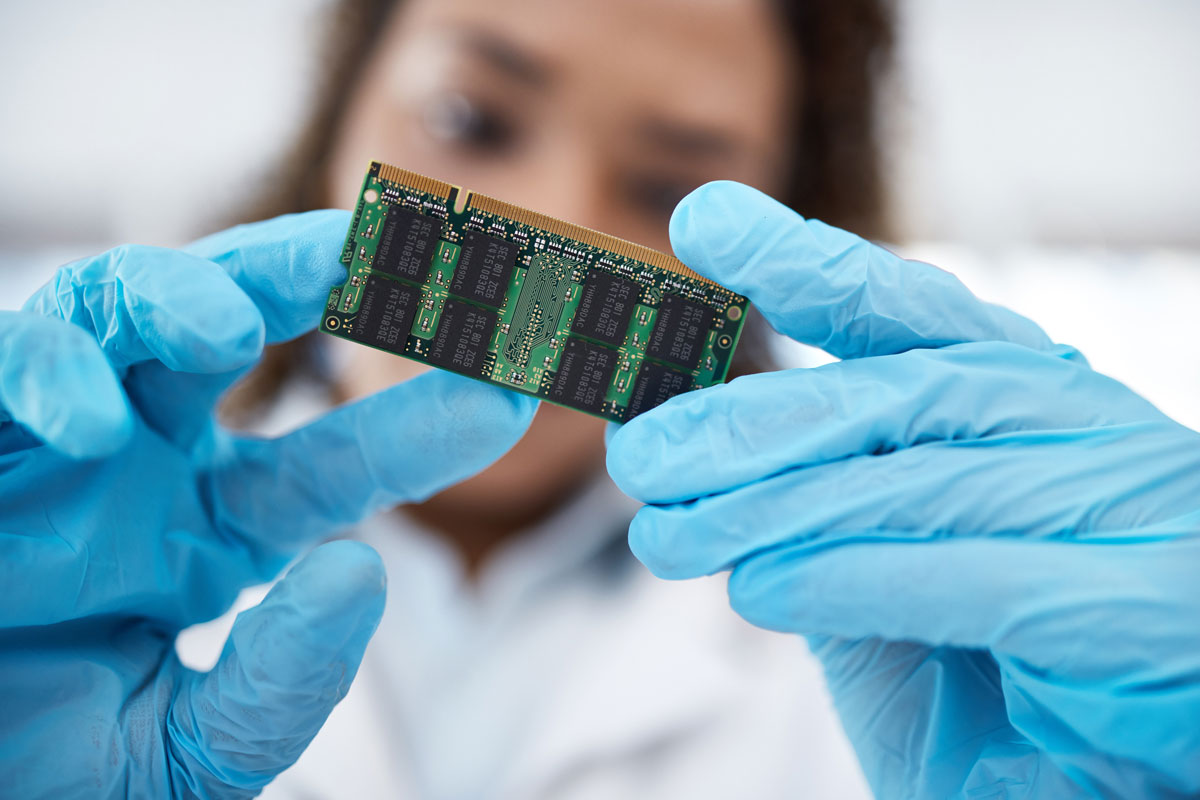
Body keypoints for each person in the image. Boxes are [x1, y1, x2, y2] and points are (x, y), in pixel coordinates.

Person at [2, 4, 1198, 800]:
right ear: (335, 119)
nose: (552, 230)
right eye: (471, 118)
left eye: (675, 181)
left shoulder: (922, 668)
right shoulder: (48, 551)